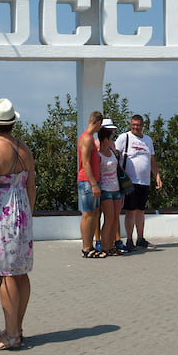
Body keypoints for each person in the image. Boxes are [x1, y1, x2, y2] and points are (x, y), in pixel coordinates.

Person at [0, 98, 36, 351]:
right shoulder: (25, 149)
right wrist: (28, 213)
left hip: (3, 213)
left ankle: (11, 334)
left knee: (6, 275)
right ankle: (17, 327)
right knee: (21, 272)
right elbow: (31, 186)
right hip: (23, 210)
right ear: (13, 123)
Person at [116, 114, 163, 252]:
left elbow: (152, 160)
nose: (135, 127)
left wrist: (157, 175)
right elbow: (114, 153)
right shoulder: (124, 137)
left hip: (144, 181)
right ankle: (129, 240)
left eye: (138, 125)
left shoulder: (148, 140)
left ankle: (140, 239)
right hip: (130, 181)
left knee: (141, 211)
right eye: (133, 125)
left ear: (143, 125)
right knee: (130, 211)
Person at [77, 111, 105, 259]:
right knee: (88, 214)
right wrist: (94, 184)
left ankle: (90, 246)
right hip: (87, 181)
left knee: (94, 214)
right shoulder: (87, 139)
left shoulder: (90, 140)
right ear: (98, 123)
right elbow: (85, 163)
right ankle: (86, 247)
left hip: (92, 181)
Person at [96, 126, 123, 256]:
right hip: (105, 190)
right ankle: (104, 246)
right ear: (104, 139)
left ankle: (111, 245)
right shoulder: (98, 154)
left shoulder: (112, 152)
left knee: (115, 218)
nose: (111, 140)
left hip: (116, 188)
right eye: (110, 138)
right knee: (108, 218)